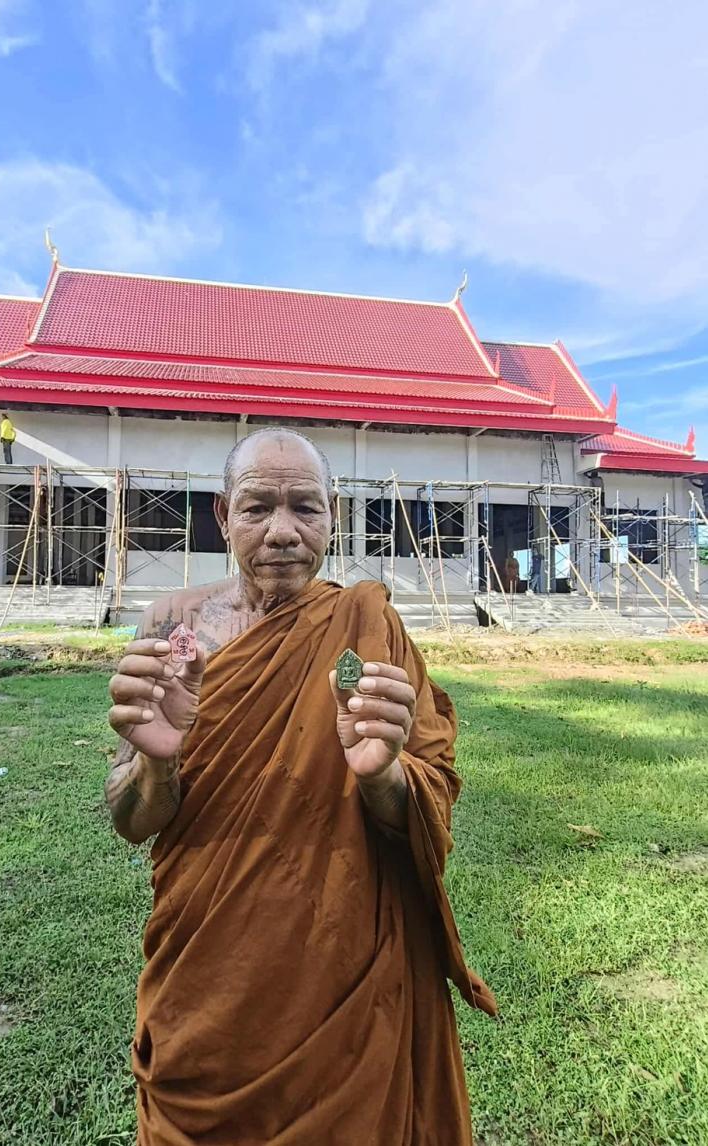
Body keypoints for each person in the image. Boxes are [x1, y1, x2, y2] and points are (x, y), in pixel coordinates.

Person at [107, 428, 495, 1145]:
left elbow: (427, 797)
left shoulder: (363, 626)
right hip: (209, 966)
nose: (282, 533)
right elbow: (132, 818)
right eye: (258, 509)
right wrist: (157, 763)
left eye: (305, 509)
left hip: (342, 968)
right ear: (223, 516)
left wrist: (382, 776)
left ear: (334, 516)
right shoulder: (173, 626)